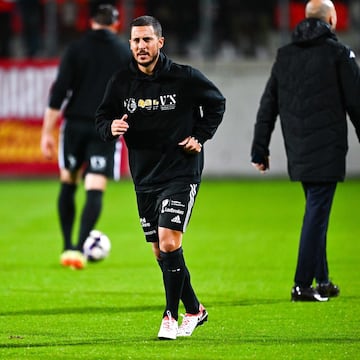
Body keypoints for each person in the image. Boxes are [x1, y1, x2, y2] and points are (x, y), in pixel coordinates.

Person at [95, 15, 225, 339]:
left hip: (181, 171)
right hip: (145, 177)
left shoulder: (184, 78)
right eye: (136, 41)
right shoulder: (121, 82)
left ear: (160, 43)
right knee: (160, 252)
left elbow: (217, 104)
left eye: (147, 40)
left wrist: (200, 136)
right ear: (130, 44)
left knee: (169, 241)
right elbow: (102, 117)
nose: (141, 46)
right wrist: (110, 128)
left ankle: (170, 315)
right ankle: (196, 309)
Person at [251, 0, 360, 301]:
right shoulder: (339, 53)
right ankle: (302, 284)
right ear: (332, 19)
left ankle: (322, 279)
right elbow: (357, 103)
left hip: (297, 146)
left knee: (316, 211)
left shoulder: (285, 56)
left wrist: (260, 148)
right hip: (327, 147)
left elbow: (267, 105)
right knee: (317, 212)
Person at [40, 4, 131, 270]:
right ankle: (80, 249)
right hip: (105, 127)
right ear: (115, 24)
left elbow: (59, 95)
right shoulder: (124, 52)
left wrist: (47, 132)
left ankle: (67, 246)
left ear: (91, 22)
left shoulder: (75, 50)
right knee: (95, 186)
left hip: (76, 125)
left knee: (68, 181)